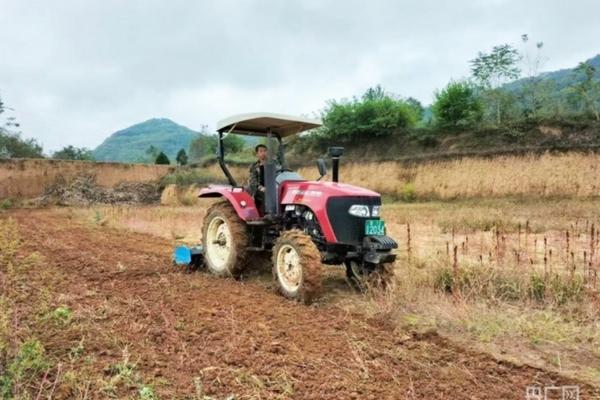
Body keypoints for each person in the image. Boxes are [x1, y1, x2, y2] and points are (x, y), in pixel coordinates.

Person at [248, 144, 267, 213]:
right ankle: (267, 214)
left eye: (265, 151)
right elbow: (253, 181)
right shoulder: (254, 166)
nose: (263, 153)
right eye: (261, 151)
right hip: (259, 189)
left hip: (273, 186)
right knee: (265, 193)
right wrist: (260, 187)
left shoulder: (273, 164)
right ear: (257, 154)